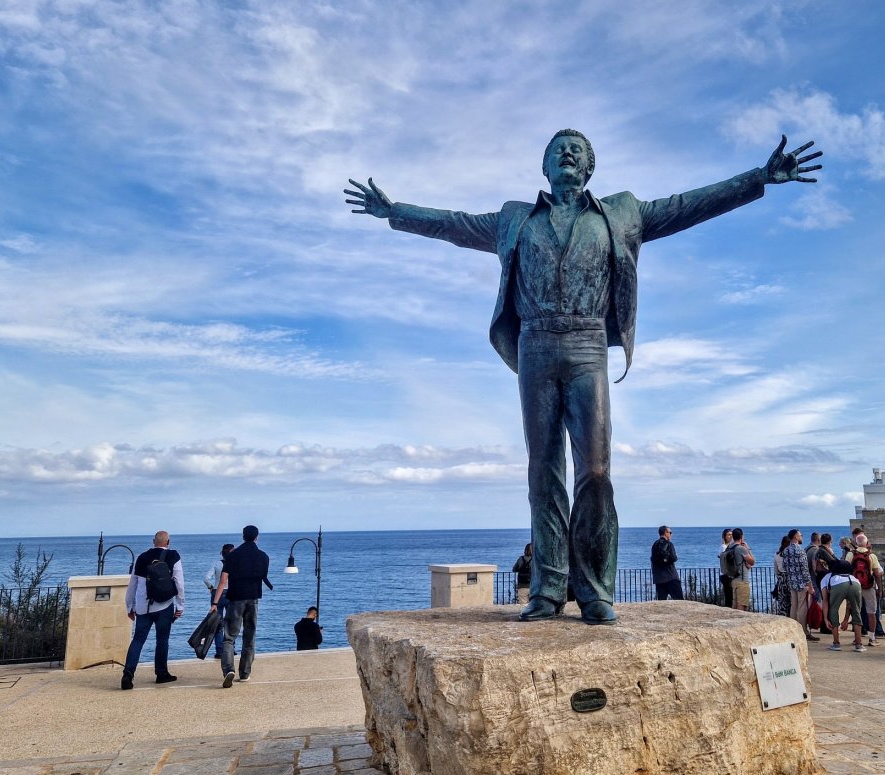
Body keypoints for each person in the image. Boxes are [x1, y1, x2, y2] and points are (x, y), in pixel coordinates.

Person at [346, 131, 821, 626]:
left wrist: (758, 178)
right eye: (558, 149)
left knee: (595, 469)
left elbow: (688, 206)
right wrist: (394, 210)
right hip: (534, 343)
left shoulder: (621, 213)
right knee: (543, 469)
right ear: (545, 166)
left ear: (590, 167)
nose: (567, 153)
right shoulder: (514, 219)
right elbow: (454, 224)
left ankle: (594, 589)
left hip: (587, 342)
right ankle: (549, 589)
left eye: (578, 149)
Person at [121, 531, 185, 690]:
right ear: (168, 542)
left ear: (153, 541)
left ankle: (128, 674)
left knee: (138, 640)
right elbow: (179, 582)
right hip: (164, 605)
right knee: (162, 640)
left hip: (143, 606)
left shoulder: (141, 558)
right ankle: (161, 674)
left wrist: (129, 606)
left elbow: (133, 585)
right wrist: (180, 605)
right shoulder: (173, 556)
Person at [213, 524, 272, 688]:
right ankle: (245, 673)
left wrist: (215, 602)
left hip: (235, 598)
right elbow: (263, 576)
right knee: (249, 636)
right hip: (253, 599)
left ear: (243, 536)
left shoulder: (233, 556)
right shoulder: (263, 556)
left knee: (229, 637)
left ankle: (228, 670)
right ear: (256, 537)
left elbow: (223, 580)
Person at [819, 547, 864, 652]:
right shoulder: (852, 576)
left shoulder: (827, 578)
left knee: (834, 610)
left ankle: (836, 643)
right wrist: (846, 619)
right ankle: (859, 644)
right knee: (857, 612)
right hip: (856, 584)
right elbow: (850, 604)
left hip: (838, 585)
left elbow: (825, 601)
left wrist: (826, 619)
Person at [778, 529, 818, 641]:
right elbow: (805, 570)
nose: (802, 537)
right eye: (800, 535)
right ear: (796, 536)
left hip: (791, 581)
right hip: (801, 583)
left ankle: (793, 630)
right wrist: (810, 585)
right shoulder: (800, 550)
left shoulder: (786, 551)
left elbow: (785, 567)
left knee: (793, 606)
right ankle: (803, 631)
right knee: (802, 607)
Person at [845, 534, 884, 646]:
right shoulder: (871, 556)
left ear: (856, 543)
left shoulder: (850, 554)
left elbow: (847, 570)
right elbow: (877, 574)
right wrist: (879, 589)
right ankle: (872, 638)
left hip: (854, 586)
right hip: (869, 587)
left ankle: (857, 639)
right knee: (871, 612)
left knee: (856, 611)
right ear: (867, 543)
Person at [203, 543, 234, 660]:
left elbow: (206, 578)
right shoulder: (234, 564)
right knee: (231, 623)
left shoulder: (217, 564)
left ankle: (219, 651)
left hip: (217, 594)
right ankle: (231, 649)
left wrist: (210, 587)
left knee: (217, 623)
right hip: (231, 593)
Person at [722, 527, 755, 611]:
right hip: (742, 580)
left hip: (734, 579)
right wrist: (748, 548)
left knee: (735, 604)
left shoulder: (729, 547)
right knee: (742, 605)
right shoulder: (741, 548)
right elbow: (752, 561)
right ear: (741, 536)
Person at [651, 526, 682, 600]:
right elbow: (674, 558)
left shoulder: (655, 545)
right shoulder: (669, 544)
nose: (671, 534)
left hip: (659, 578)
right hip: (671, 577)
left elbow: (653, 559)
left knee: (662, 602)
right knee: (679, 601)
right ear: (665, 533)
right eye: (670, 532)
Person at [719, 528, 735, 609]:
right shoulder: (724, 547)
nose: (730, 536)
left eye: (731, 535)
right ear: (725, 536)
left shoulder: (730, 546)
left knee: (730, 594)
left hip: (728, 574)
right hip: (726, 574)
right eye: (728, 535)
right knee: (729, 595)